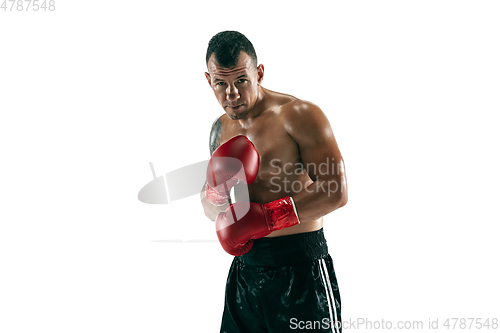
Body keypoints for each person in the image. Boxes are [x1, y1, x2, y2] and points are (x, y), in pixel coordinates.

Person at [200, 31, 348, 333]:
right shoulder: (219, 129)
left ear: (259, 73)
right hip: (245, 274)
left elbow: (336, 190)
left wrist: (269, 217)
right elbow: (207, 203)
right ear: (208, 81)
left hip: (301, 270)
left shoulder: (297, 115)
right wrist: (216, 198)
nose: (232, 94)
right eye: (221, 84)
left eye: (241, 80)